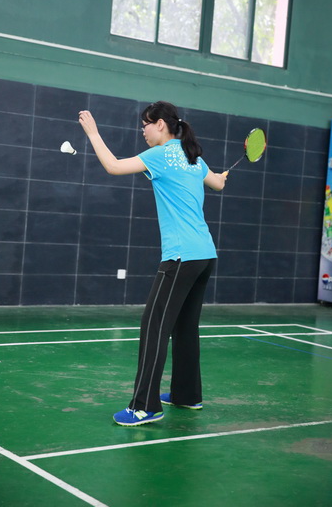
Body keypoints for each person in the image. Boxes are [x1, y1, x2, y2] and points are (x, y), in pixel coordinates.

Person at [79, 101, 228, 427]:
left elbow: (113, 166)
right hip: (205, 255)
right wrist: (219, 176)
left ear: (161, 124)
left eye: (145, 124)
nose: (143, 131)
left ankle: (145, 405)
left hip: (180, 257)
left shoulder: (161, 155)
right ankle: (187, 394)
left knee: (154, 327)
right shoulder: (193, 155)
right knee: (185, 327)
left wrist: (92, 133)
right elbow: (217, 184)